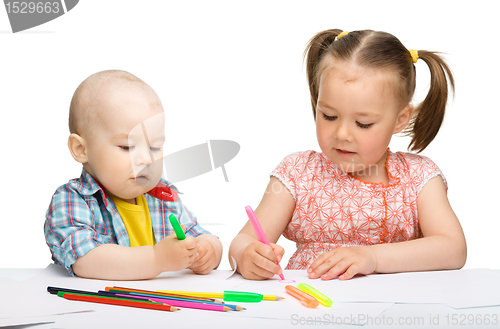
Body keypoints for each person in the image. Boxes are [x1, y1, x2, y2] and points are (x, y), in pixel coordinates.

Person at [229, 29, 466, 281]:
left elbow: (454, 249)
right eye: (329, 116)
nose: (342, 133)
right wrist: (246, 255)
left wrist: (373, 258)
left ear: (399, 120)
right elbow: (244, 240)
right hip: (309, 309)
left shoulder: (419, 179)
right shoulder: (298, 172)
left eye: (363, 123)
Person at [44, 70, 222, 280]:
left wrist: (206, 251)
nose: (146, 159)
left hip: (160, 304)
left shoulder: (163, 197)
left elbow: (200, 235)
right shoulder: (71, 200)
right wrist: (157, 260)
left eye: (155, 148)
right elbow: (86, 260)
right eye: (127, 147)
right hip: (99, 308)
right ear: (81, 149)